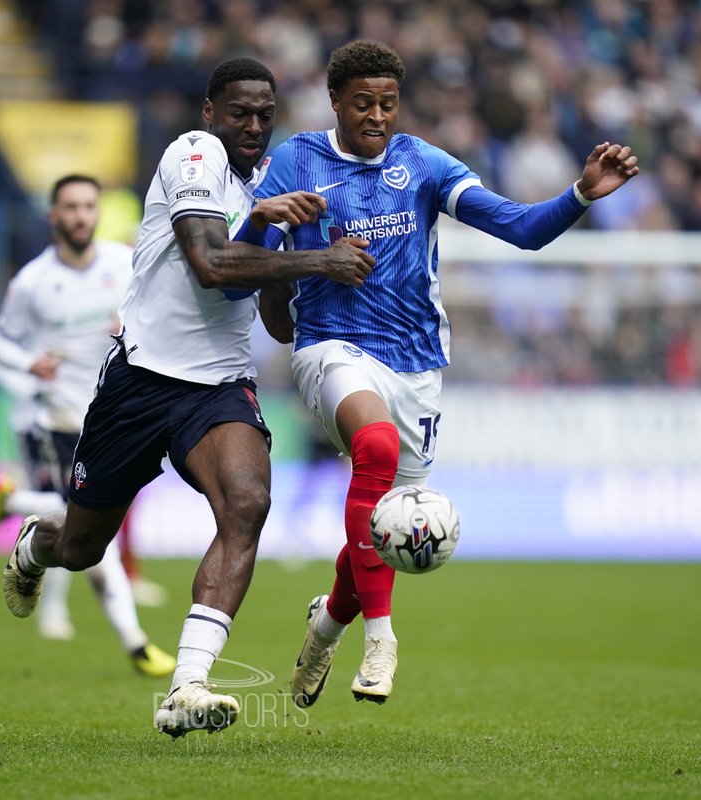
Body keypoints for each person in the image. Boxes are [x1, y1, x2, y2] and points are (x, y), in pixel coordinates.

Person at [236, 40, 639, 707]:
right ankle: (383, 641)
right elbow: (245, 267)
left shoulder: (422, 164)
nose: (376, 116)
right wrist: (262, 221)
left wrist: (580, 195)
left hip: (417, 364)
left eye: (387, 103)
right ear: (335, 101)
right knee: (375, 448)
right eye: (362, 103)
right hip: (329, 346)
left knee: (386, 525)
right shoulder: (296, 161)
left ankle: (328, 625)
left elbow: (521, 229)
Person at [0, 57, 376, 738]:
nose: (254, 127)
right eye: (240, 112)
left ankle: (188, 684)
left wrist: (302, 261)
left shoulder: (276, 185)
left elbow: (276, 321)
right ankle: (34, 547)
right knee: (82, 547)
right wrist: (314, 257)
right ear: (211, 113)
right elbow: (210, 265)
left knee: (248, 503)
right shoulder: (193, 154)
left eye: (265, 116)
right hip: (141, 379)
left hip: (220, 385)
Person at [0, 173, 175, 677]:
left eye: (89, 206)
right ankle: (136, 643)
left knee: (75, 522)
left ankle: (11, 502)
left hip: (107, 415)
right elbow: (0, 344)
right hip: (50, 417)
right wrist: (28, 365)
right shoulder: (31, 282)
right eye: (71, 207)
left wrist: (132, 325)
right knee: (75, 516)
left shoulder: (122, 263)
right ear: (53, 216)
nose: (82, 215)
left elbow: (157, 309)